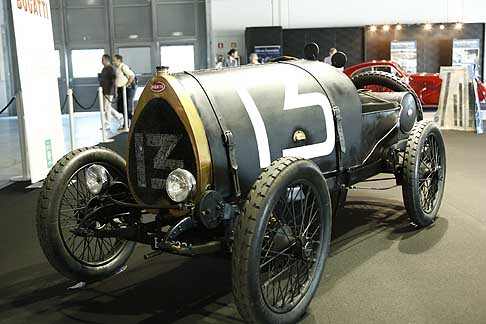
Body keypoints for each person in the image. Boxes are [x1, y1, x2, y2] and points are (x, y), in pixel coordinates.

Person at [99, 54, 123, 130]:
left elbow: (115, 79)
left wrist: (115, 91)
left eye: (102, 59)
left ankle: (107, 124)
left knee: (107, 107)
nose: (101, 61)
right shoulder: (104, 69)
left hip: (110, 90)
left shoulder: (111, 68)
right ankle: (119, 116)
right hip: (104, 91)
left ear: (106, 60)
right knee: (106, 107)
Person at [113, 54, 135, 129]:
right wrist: (116, 91)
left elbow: (132, 76)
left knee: (125, 108)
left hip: (125, 90)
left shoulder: (123, 67)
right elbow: (116, 81)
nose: (113, 62)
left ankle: (133, 121)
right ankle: (126, 124)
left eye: (114, 60)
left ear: (119, 60)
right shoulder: (117, 69)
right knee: (120, 108)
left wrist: (126, 85)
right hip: (120, 90)